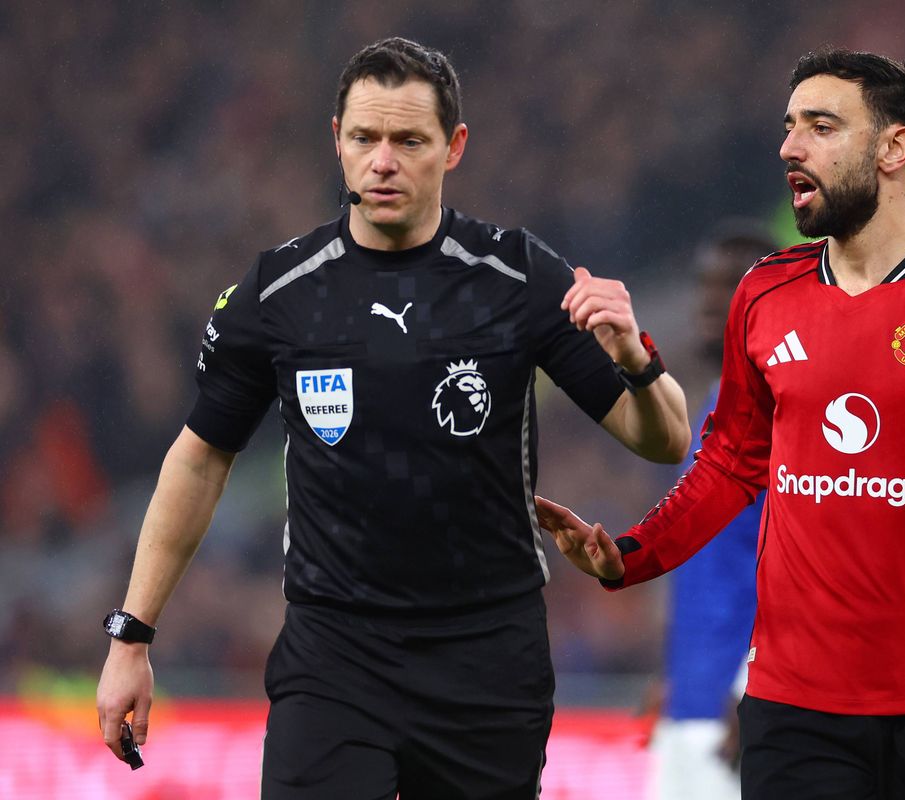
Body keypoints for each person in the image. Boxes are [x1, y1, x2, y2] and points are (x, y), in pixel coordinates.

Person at [95, 36, 690, 798]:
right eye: (366, 138)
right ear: (336, 142)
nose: (384, 161)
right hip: (334, 656)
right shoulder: (282, 292)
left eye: (409, 140)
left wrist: (635, 357)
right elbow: (200, 458)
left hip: (487, 656)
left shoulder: (516, 277)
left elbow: (663, 437)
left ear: (454, 147)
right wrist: (131, 638)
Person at [536, 49, 905, 799]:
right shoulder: (765, 296)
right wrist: (630, 556)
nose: (790, 148)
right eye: (790, 126)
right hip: (792, 709)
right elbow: (730, 462)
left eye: (822, 126)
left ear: (894, 149)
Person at [652, 224, 775, 800]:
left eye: (729, 286)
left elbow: (806, 564)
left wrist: (754, 689)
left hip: (742, 715)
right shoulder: (716, 406)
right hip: (695, 703)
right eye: (705, 284)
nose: (708, 301)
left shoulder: (783, 417)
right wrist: (677, 680)